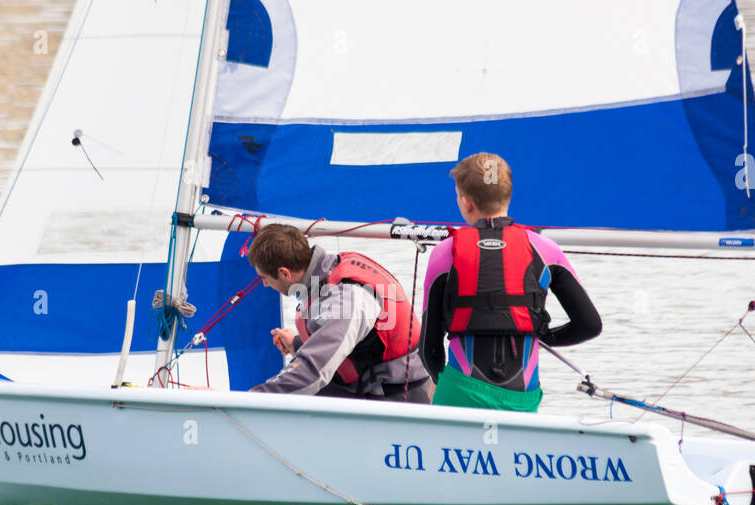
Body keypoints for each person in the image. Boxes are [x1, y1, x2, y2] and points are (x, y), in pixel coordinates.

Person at [419, 152, 601, 412]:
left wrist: (438, 380)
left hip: (459, 393)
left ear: (466, 203)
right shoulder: (545, 249)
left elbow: (429, 348)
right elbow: (590, 325)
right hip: (521, 398)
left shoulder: (445, 252)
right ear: (508, 196)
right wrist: (542, 335)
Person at [247, 223, 433, 402]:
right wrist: (298, 343)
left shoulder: (347, 298)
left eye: (264, 278)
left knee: (297, 392)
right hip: (376, 382)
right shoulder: (331, 268)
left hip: (394, 394)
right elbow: (350, 337)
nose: (264, 284)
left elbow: (313, 370)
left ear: (284, 273)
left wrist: (248, 400)